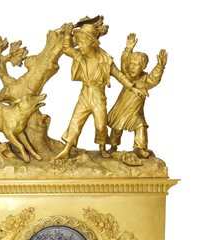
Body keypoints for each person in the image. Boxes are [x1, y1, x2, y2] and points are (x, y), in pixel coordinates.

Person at [55, 23, 148, 159]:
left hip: (98, 97)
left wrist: (132, 87)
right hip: (85, 94)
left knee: (100, 125)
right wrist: (68, 34)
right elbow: (66, 48)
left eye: (82, 43)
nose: (79, 45)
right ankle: (67, 149)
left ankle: (102, 147)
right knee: (75, 121)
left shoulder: (105, 60)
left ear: (92, 43)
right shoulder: (79, 55)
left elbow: (119, 75)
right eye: (79, 43)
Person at [108, 33, 168, 158]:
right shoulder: (127, 76)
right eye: (131, 64)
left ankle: (140, 148)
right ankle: (113, 146)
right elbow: (124, 65)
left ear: (143, 67)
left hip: (135, 112)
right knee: (117, 128)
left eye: (136, 65)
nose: (132, 67)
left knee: (141, 126)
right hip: (121, 108)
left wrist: (160, 67)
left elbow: (154, 79)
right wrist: (128, 49)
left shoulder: (145, 80)